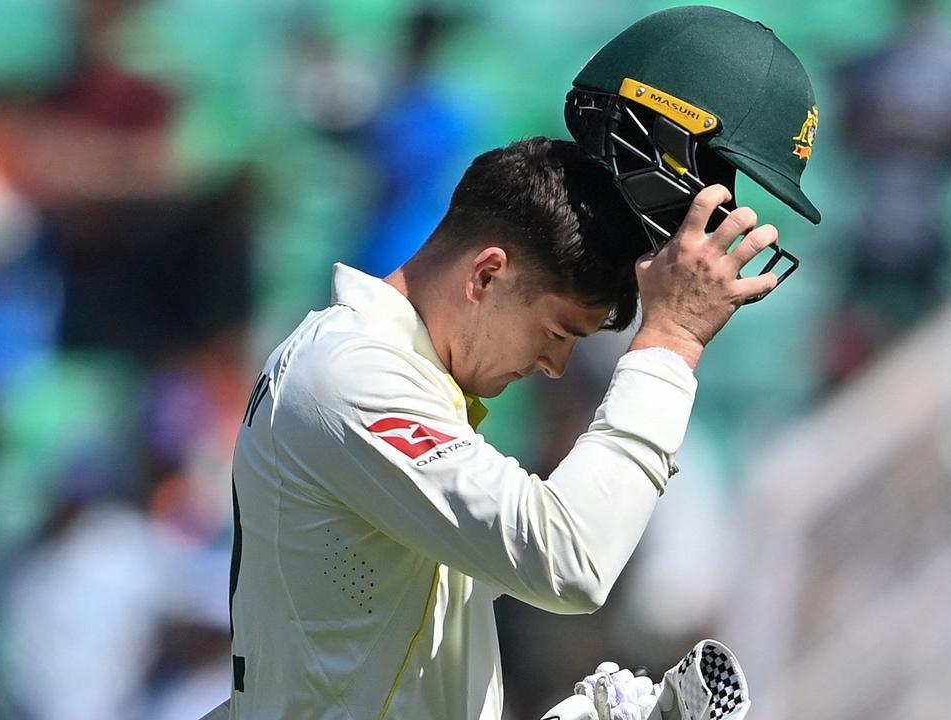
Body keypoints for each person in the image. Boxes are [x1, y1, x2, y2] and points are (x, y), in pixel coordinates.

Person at [212, 6, 822, 719]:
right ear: (487, 275)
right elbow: (568, 561)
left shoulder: (385, 379)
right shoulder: (351, 376)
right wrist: (674, 340)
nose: (555, 367)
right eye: (558, 331)